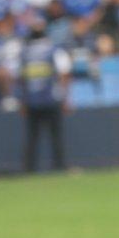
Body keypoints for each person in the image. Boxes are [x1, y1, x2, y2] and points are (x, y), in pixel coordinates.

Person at [17, 18, 72, 172]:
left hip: (32, 100)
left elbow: (21, 79)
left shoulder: (25, 53)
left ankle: (29, 168)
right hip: (51, 99)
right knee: (56, 135)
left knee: (32, 138)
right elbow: (64, 74)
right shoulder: (54, 50)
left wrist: (22, 102)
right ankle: (59, 166)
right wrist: (66, 98)